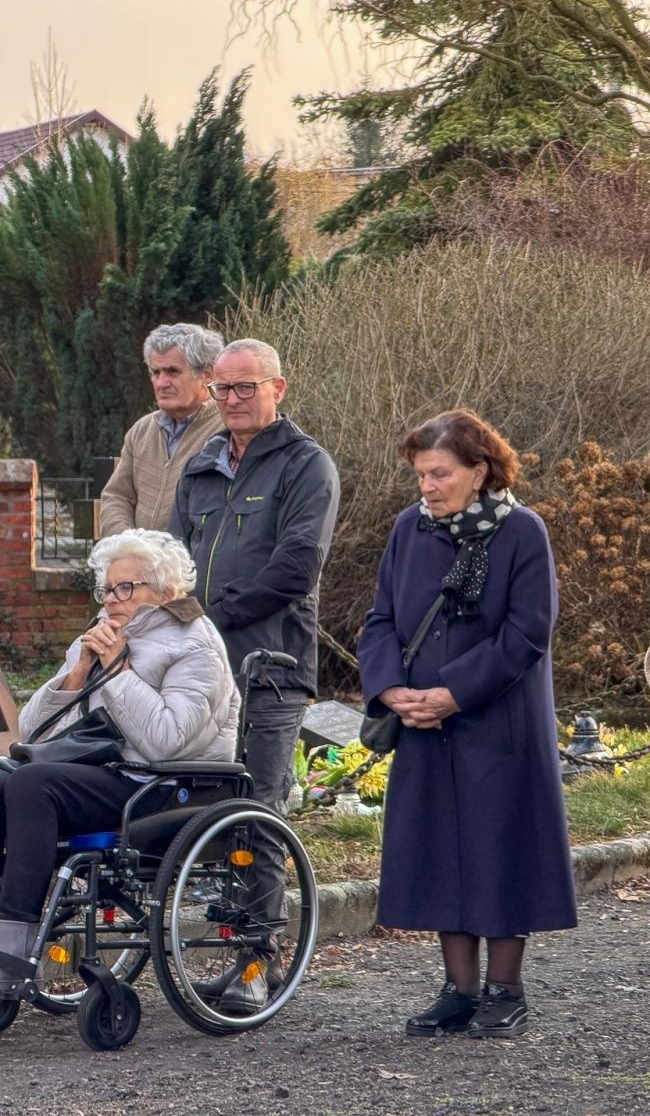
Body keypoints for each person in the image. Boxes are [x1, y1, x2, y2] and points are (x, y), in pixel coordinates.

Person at [358, 409, 574, 1039]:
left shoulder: (522, 532)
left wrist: (454, 692)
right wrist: (392, 688)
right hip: (425, 727)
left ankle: (505, 989)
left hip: (498, 724)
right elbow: (381, 620)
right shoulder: (408, 530)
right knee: (439, 851)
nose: (427, 485)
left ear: (479, 472)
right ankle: (459, 989)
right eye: (421, 473)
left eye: (440, 473)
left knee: (500, 849)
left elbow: (528, 632)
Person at [168, 337, 339, 1005]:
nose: (232, 400)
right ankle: (224, 940)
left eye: (246, 388)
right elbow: (173, 565)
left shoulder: (306, 465)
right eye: (223, 390)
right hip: (201, 672)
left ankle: (256, 959)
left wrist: (209, 617)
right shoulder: (200, 469)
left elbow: (296, 568)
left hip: (271, 668)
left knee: (258, 810)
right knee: (204, 811)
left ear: (278, 389)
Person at [1, 530, 238, 984]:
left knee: (33, 785)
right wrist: (78, 673)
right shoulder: (102, 636)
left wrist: (118, 673)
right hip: (97, 774)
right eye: (107, 588)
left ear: (166, 591)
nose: (111, 599)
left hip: (162, 787)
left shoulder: (195, 644)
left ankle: (11, 952)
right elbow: (31, 734)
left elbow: (167, 742)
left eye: (125, 588)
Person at [100, 324, 226, 536]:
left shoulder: (228, 430)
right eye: (155, 372)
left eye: (172, 372)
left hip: (193, 566)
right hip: (138, 563)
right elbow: (117, 497)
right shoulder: (142, 430)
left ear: (207, 374)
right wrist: (128, 547)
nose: (161, 383)